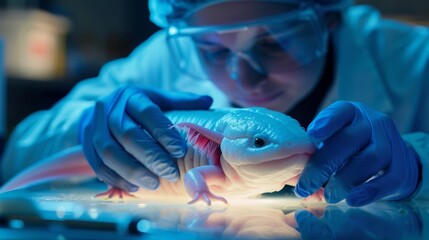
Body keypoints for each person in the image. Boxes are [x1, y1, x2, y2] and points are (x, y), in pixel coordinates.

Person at [1, 0, 428, 207]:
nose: (244, 76)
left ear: (329, 17)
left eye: (272, 43)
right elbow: (17, 152)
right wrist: (90, 130)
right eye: (214, 52)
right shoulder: (170, 53)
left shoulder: (414, 61)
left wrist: (420, 164)